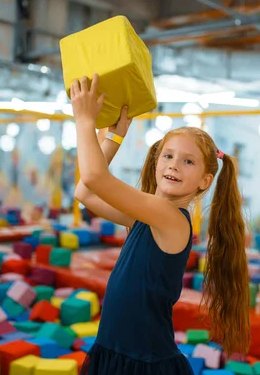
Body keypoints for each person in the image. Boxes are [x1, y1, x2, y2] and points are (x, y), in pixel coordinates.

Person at [72, 74, 250, 375]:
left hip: (144, 363)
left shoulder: (170, 218)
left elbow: (94, 178)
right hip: (114, 352)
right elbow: (84, 192)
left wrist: (84, 120)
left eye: (188, 162)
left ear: (205, 181)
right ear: (156, 161)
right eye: (168, 155)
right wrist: (113, 136)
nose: (173, 165)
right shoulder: (146, 218)